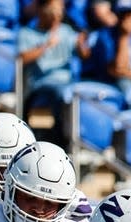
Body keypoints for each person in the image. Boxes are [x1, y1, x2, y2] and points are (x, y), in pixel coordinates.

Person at [17, 0, 84, 147]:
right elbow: (21, 58)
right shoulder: (26, 33)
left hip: (66, 83)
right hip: (39, 84)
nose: (56, 11)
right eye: (52, 7)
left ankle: (73, 139)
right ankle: (61, 140)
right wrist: (46, 45)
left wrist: (82, 41)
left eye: (59, 7)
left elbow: (84, 53)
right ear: (41, 9)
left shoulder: (66, 31)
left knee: (77, 93)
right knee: (62, 93)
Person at [82, 1, 131, 92]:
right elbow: (117, 69)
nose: (127, 18)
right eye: (123, 15)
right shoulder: (105, 36)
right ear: (117, 16)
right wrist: (124, 36)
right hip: (111, 82)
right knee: (125, 84)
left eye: (130, 14)